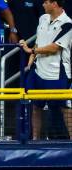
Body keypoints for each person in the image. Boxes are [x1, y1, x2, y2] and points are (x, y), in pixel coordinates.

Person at [20, 0, 72, 139]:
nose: (42, 5)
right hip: (38, 72)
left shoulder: (67, 24)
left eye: (46, 2)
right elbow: (39, 41)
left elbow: (54, 48)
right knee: (36, 107)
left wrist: (31, 50)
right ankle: (35, 140)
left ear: (54, 4)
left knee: (65, 108)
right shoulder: (43, 18)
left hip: (57, 74)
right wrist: (30, 62)